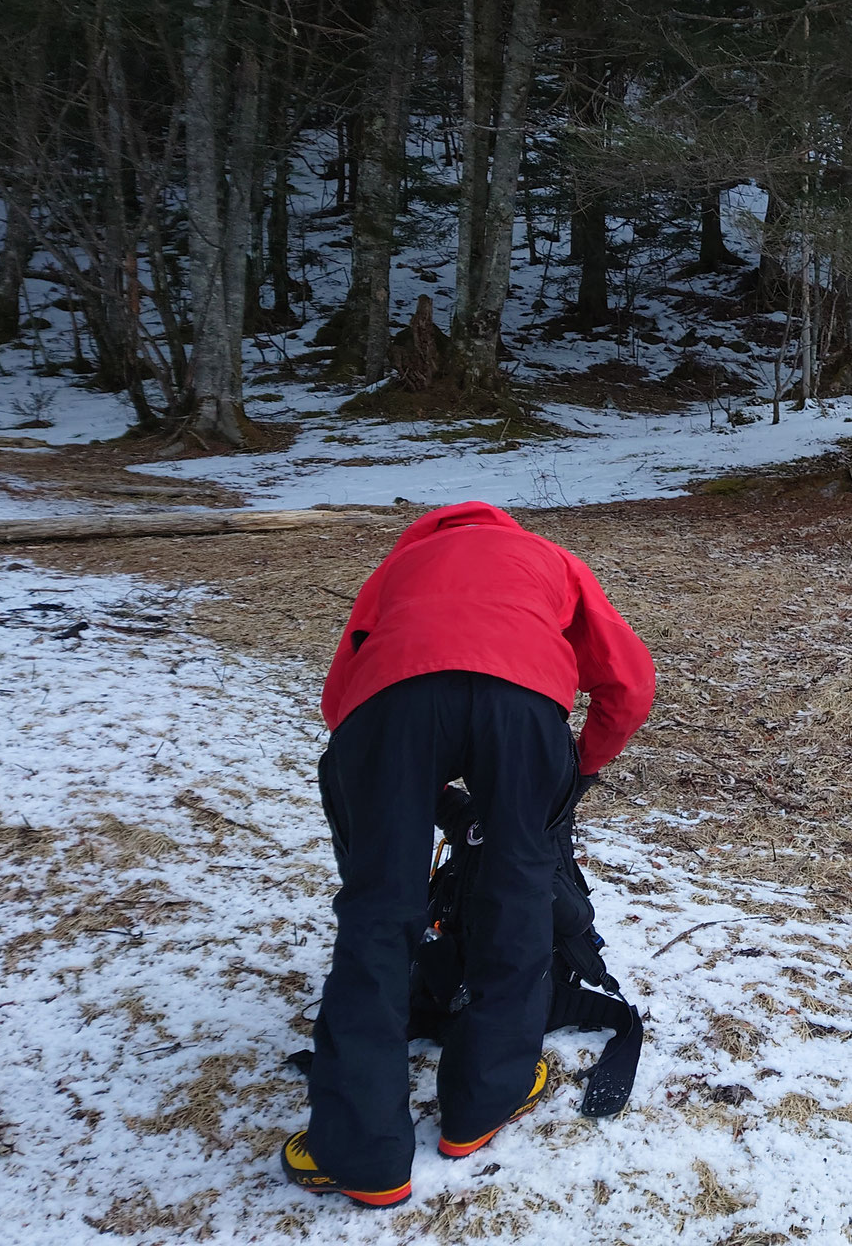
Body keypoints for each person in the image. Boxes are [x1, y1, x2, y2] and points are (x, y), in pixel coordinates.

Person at [281, 501, 655, 1207]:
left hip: (390, 707)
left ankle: (365, 1158)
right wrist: (580, 766)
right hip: (524, 709)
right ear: (504, 528)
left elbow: (342, 696)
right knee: (516, 897)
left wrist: (403, 775)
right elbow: (629, 683)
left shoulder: (397, 567)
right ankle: (484, 1103)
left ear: (430, 532)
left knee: (377, 915)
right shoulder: (552, 561)